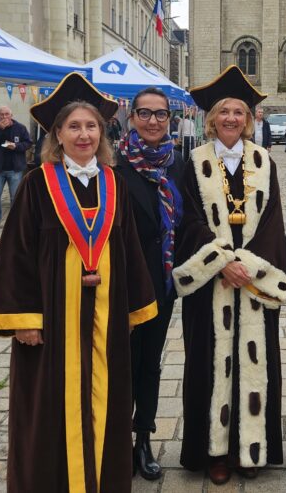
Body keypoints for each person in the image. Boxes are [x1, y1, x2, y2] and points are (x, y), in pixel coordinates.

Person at [0, 73, 157, 493]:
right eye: (74, 126)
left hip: (105, 319)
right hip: (52, 323)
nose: (83, 134)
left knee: (106, 404)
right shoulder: (37, 184)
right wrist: (25, 319)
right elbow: (16, 255)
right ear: (57, 133)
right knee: (50, 409)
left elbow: (129, 248)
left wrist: (132, 310)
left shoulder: (114, 183)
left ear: (103, 131)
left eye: (91, 125)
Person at [172, 66, 286, 485]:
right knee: (209, 364)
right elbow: (185, 221)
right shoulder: (193, 162)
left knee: (255, 365)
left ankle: (251, 450)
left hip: (252, 281)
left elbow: (274, 221)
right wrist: (223, 263)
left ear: (249, 120)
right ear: (211, 119)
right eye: (224, 111)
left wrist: (249, 269)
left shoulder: (264, 162)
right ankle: (214, 452)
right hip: (211, 284)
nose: (231, 119)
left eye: (239, 112)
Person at [114, 87, 186, 481]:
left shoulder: (178, 164)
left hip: (163, 281)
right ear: (132, 117)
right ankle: (117, 438)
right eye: (145, 113)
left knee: (151, 364)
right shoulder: (116, 166)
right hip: (126, 281)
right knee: (124, 360)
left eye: (161, 114)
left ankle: (144, 437)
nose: (154, 121)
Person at [0, 106, 33, 230]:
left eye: (7, 114)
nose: (4, 117)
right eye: (2, 114)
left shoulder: (20, 128)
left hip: (15, 168)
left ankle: (15, 221)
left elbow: (28, 143)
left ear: (11, 115)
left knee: (15, 196)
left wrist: (16, 146)